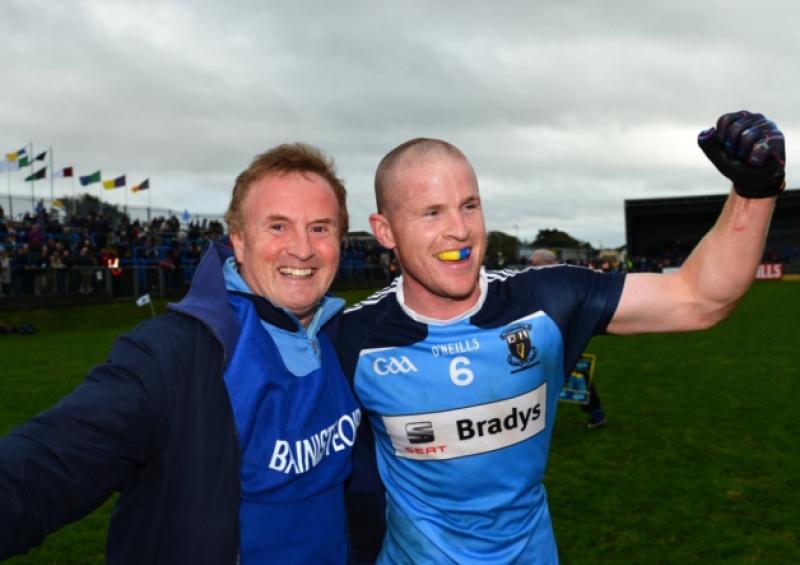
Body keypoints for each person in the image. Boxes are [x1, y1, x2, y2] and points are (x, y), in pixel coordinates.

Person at [334, 110, 785, 563]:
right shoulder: (352, 340)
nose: (460, 229)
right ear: (385, 231)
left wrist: (755, 191)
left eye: (469, 205)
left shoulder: (547, 300)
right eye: (432, 212)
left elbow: (699, 298)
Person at [0, 143, 369, 563]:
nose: (301, 248)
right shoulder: (172, 355)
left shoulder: (349, 339)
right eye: (278, 226)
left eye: (320, 228)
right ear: (240, 241)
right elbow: (49, 462)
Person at [530, 248, 607, 428]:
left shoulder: (564, 280)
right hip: (545, 339)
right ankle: (532, 418)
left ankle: (597, 414)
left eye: (535, 265)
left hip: (565, 338)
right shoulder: (537, 282)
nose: (531, 268)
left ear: (549, 263)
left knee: (577, 376)